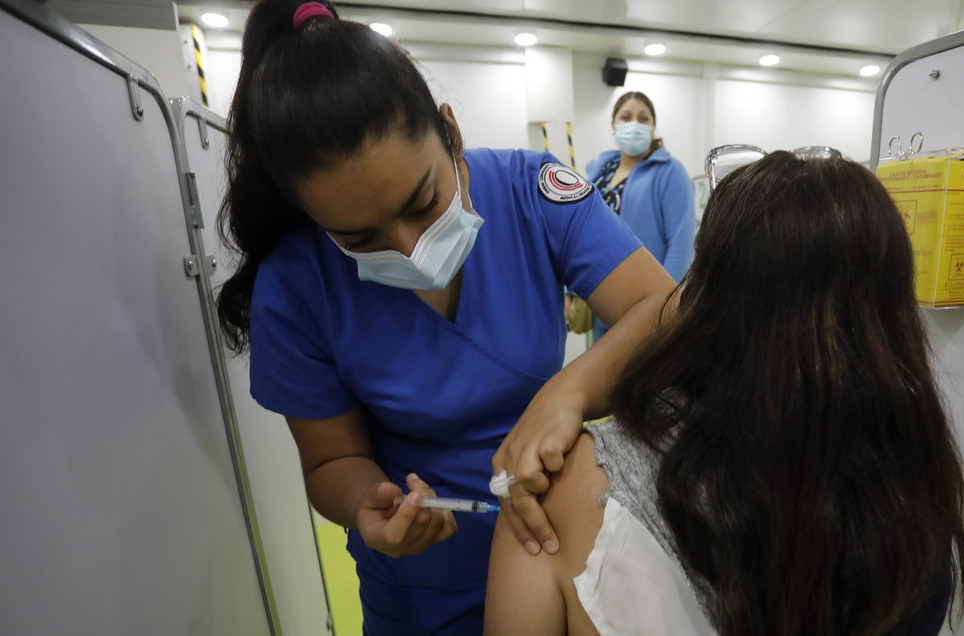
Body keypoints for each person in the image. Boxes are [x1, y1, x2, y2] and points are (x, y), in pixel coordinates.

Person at [215, 1, 676, 633]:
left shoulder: (531, 191)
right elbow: (328, 463)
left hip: (556, 540)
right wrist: (367, 506)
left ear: (451, 132)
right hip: (421, 585)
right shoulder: (296, 285)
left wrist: (565, 393)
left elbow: (667, 310)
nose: (409, 249)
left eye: (423, 201)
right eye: (358, 237)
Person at [485, 149, 964, 636]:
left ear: (704, 294)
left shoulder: (562, 496)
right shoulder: (917, 506)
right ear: (890, 319)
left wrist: (566, 391)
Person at [567, 91, 695, 340]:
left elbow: (681, 243)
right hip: (599, 302)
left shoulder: (671, 172)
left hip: (645, 307)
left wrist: (663, 305)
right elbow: (577, 231)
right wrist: (568, 291)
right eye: (625, 117)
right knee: (605, 377)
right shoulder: (599, 172)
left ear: (653, 127)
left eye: (643, 118)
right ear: (614, 126)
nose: (634, 123)